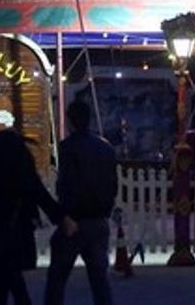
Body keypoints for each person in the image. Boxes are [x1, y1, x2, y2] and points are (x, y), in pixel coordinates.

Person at [0, 129, 77, 305]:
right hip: (18, 233)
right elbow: (42, 196)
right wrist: (62, 218)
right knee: (10, 282)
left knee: (7, 283)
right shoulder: (23, 171)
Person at [44, 101, 118, 305]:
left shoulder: (68, 147)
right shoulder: (105, 147)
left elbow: (67, 184)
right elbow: (113, 183)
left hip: (75, 219)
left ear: (70, 120)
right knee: (99, 279)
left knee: (57, 278)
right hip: (99, 218)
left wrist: (64, 214)